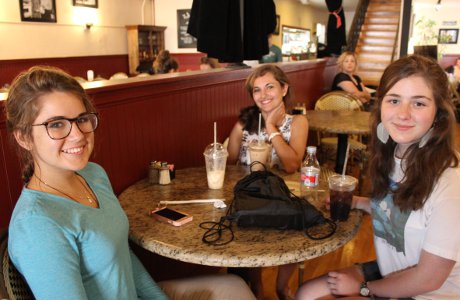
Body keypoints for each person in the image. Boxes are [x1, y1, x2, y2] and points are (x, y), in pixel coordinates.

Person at [5, 66, 257, 300]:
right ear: (24, 137)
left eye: (82, 119)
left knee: (234, 287)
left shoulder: (93, 174)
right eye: (57, 124)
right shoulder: (37, 226)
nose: (78, 135)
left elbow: (122, 258)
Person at [295, 54, 460, 299]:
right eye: (394, 100)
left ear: (439, 114)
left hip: (428, 291)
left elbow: (429, 279)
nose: (403, 114)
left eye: (419, 103)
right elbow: (402, 211)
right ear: (381, 104)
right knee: (307, 293)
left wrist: (364, 288)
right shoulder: (393, 153)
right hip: (391, 270)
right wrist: (358, 202)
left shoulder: (450, 183)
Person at [227, 64, 308, 300]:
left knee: (297, 224)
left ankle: (282, 287)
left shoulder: (298, 122)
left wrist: (272, 127)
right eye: (257, 90)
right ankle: (257, 287)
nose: (263, 95)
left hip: (285, 196)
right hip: (250, 197)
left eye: (270, 87)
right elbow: (229, 162)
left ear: (284, 88)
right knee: (247, 223)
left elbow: (292, 164)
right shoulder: (244, 123)